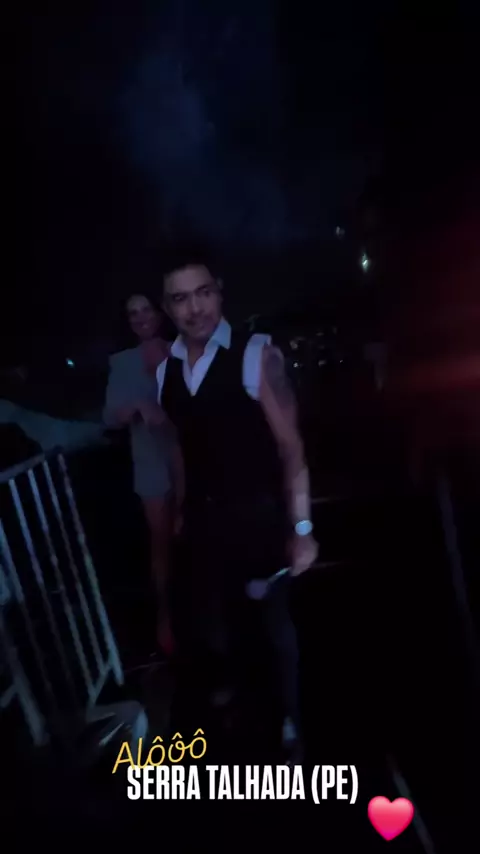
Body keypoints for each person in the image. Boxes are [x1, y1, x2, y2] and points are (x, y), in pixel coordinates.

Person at [155, 250, 318, 757]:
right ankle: (253, 717)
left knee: (273, 628)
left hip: (259, 519)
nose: (195, 308)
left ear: (219, 291)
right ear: (167, 307)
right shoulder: (166, 372)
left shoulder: (255, 354)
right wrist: (182, 512)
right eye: (181, 298)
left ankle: (290, 725)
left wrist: (302, 528)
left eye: (203, 293)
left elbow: (292, 448)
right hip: (207, 525)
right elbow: (181, 446)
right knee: (227, 625)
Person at [103, 294, 184, 655]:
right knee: (161, 543)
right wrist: (136, 406)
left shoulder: (182, 350)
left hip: (192, 457)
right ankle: (166, 618)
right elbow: (110, 417)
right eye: (132, 313)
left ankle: (209, 614)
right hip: (151, 463)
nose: (140, 318)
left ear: (159, 312)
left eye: (145, 309)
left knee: (199, 534)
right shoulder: (122, 362)